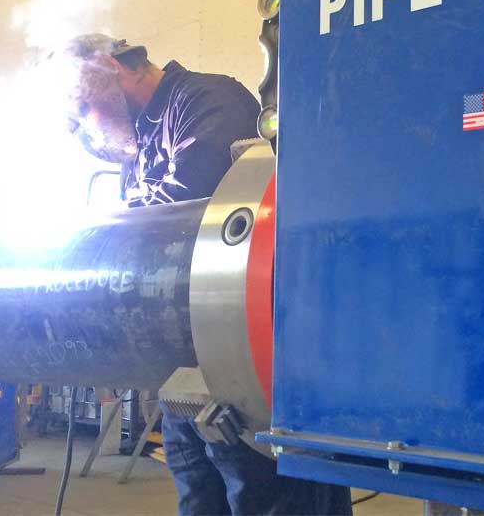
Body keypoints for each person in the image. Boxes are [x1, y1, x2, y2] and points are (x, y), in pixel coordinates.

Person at [62, 34, 352, 516]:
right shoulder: (140, 144)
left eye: (85, 108)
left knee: (263, 493)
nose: (88, 128)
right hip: (188, 369)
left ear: (112, 68)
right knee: (198, 490)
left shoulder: (205, 99)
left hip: (249, 363)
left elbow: (185, 219)